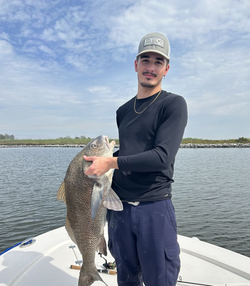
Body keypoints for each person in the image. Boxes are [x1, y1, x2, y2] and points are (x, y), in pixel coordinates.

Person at [84, 32, 188, 286]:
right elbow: (132, 151)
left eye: (158, 62)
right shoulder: (123, 111)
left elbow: (162, 157)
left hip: (154, 207)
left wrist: (112, 163)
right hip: (118, 210)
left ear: (166, 69)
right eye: (145, 60)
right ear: (136, 65)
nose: (151, 67)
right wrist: (101, 161)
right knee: (126, 278)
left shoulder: (173, 105)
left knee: (159, 280)